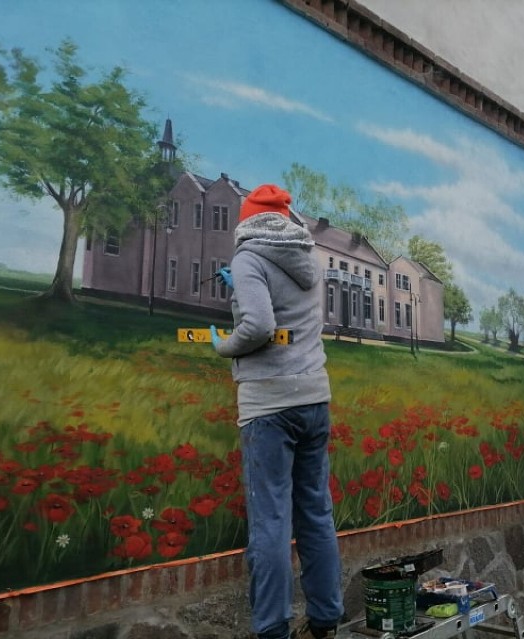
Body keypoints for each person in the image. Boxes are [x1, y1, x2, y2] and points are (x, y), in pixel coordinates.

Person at [210, 183, 343, 639]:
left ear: (247, 221)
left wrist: (222, 345)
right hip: (314, 399)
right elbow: (286, 308)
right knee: (315, 511)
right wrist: (240, 287)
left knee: (270, 519)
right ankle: (326, 617)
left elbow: (262, 325)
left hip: (268, 405)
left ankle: (271, 628)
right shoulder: (310, 258)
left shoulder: (249, 257)